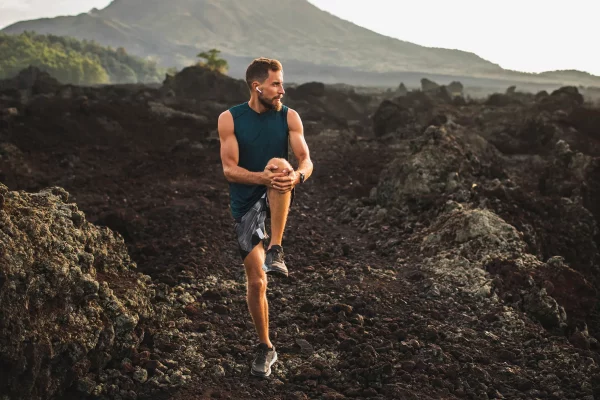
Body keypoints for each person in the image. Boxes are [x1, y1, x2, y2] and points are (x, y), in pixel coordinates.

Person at [217, 57, 313, 377]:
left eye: (282, 84)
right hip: (245, 204)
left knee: (280, 165)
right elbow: (229, 170)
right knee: (257, 281)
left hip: (278, 193)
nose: (282, 90)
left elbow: (305, 161)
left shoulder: (290, 117)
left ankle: (276, 248)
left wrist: (296, 177)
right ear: (257, 87)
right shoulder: (230, 119)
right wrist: (262, 179)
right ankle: (266, 347)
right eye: (276, 84)